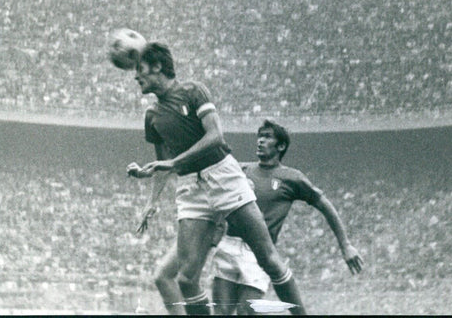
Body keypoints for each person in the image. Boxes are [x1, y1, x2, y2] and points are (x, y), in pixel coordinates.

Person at [126, 42, 306, 315]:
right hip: (189, 187)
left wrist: (174, 162)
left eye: (140, 69)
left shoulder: (192, 91)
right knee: (186, 279)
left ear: (158, 66)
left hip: (222, 174)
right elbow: (162, 163)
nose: (136, 76)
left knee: (268, 258)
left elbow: (215, 137)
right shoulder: (152, 116)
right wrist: (151, 201)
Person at [210, 119, 364, 314]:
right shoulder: (242, 170)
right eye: (260, 136)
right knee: (220, 312)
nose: (260, 141)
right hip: (228, 245)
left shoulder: (291, 178)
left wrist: (346, 245)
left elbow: (325, 205)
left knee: (246, 312)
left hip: (258, 252)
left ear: (281, 146)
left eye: (267, 137)